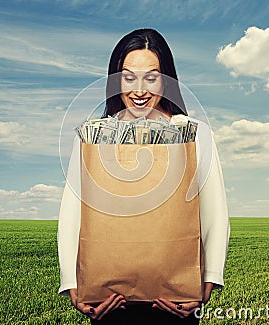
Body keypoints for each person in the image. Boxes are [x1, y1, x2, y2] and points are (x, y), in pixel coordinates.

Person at [58, 28, 230, 324]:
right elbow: (74, 208)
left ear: (167, 81)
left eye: (151, 78)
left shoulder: (193, 132)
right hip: (108, 300)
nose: (139, 90)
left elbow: (213, 208)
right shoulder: (91, 135)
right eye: (128, 77)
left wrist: (206, 284)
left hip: (175, 301)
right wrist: (72, 284)